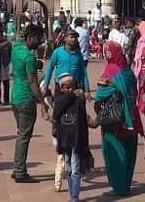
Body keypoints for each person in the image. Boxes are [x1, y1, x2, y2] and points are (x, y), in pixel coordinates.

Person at [94, 40, 142, 197]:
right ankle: (126, 185)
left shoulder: (111, 71)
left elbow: (99, 96)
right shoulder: (129, 72)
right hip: (132, 118)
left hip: (115, 121)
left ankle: (118, 188)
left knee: (114, 154)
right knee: (129, 154)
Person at [10, 23, 47, 182]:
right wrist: (42, 102)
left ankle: (17, 167)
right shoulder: (29, 57)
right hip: (26, 98)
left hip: (15, 96)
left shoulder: (17, 49)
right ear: (31, 38)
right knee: (24, 136)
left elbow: (18, 39)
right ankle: (20, 172)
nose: (40, 42)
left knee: (21, 134)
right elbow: (33, 81)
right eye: (38, 39)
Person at [50, 72, 92, 202]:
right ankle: (72, 195)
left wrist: (85, 141)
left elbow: (83, 121)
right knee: (68, 167)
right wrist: (68, 97)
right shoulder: (59, 101)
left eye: (71, 87)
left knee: (75, 169)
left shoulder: (79, 101)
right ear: (61, 88)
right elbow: (55, 115)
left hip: (76, 139)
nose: (69, 90)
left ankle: (75, 198)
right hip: (64, 140)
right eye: (66, 88)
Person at [43, 29, 90, 96]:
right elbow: (50, 69)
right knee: (60, 106)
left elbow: (83, 73)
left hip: (74, 87)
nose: (74, 39)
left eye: (75, 37)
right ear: (65, 38)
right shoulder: (57, 52)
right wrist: (45, 86)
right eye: (71, 37)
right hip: (60, 87)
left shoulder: (78, 54)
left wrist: (87, 89)